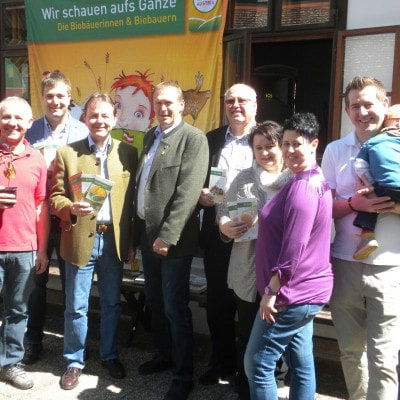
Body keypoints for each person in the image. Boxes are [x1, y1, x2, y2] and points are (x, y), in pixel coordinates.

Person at [50, 93, 137, 390]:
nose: (99, 120)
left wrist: (131, 242)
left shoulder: (128, 152)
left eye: (105, 115)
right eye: (93, 115)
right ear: (84, 118)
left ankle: (109, 355)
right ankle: (74, 361)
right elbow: (55, 197)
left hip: (113, 239)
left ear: (114, 118)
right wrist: (70, 207)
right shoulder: (67, 153)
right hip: (79, 238)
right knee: (76, 304)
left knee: (112, 302)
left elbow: (132, 202)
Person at [321, 76, 400, 400]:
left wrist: (394, 205)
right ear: (346, 110)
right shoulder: (335, 150)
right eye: (355, 105)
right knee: (352, 354)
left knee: (384, 359)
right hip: (345, 263)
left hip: (390, 266)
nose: (362, 111)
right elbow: (321, 209)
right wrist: (355, 204)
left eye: (369, 104)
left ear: (384, 104)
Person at [245, 113, 333, 400]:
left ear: (314, 144)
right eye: (286, 143)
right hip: (305, 293)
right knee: (301, 361)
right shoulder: (307, 179)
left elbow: (294, 248)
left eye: (297, 144)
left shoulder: (303, 188)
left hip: (290, 295)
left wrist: (272, 291)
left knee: (258, 364)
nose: (290, 150)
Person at [134, 81, 208, 400]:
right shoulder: (151, 135)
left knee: (175, 307)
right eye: (158, 102)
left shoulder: (194, 139)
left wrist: (167, 235)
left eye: (169, 103)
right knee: (155, 301)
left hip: (172, 242)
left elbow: (188, 192)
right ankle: (163, 356)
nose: (163, 108)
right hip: (147, 238)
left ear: (181, 104)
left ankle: (183, 374)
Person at [216, 121, 291, 400]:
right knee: (247, 332)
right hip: (247, 267)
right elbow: (223, 209)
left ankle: (275, 387)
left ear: (282, 146)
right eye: (258, 148)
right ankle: (245, 389)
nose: (265, 153)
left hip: (281, 272)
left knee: (277, 337)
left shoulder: (295, 179)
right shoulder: (245, 178)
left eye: (270, 146)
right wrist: (225, 225)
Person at [24, 70, 89, 365]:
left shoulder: (82, 133)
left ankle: (70, 350)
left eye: (60, 96)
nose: (55, 101)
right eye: (49, 96)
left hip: (68, 219)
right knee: (34, 284)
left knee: (70, 285)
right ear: (43, 98)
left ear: (69, 98)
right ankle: (33, 341)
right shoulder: (30, 132)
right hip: (37, 219)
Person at [199, 83, 257, 385]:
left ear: (255, 105)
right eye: (230, 100)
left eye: (242, 100)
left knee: (251, 306)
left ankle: (249, 371)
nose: (236, 105)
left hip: (257, 240)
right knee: (219, 303)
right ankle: (221, 362)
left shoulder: (269, 138)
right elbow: (198, 182)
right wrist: (202, 197)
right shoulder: (210, 140)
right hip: (219, 234)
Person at [0, 96, 49, 390]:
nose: (13, 123)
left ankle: (9, 363)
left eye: (19, 118)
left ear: (30, 123)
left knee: (17, 310)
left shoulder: (37, 160)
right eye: (7, 117)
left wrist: (42, 249)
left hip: (24, 249)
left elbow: (41, 207)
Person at [352, 103, 400, 259]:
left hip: (384, 187)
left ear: (387, 121)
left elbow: (359, 166)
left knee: (368, 204)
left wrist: (370, 184)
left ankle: (368, 237)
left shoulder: (374, 141)